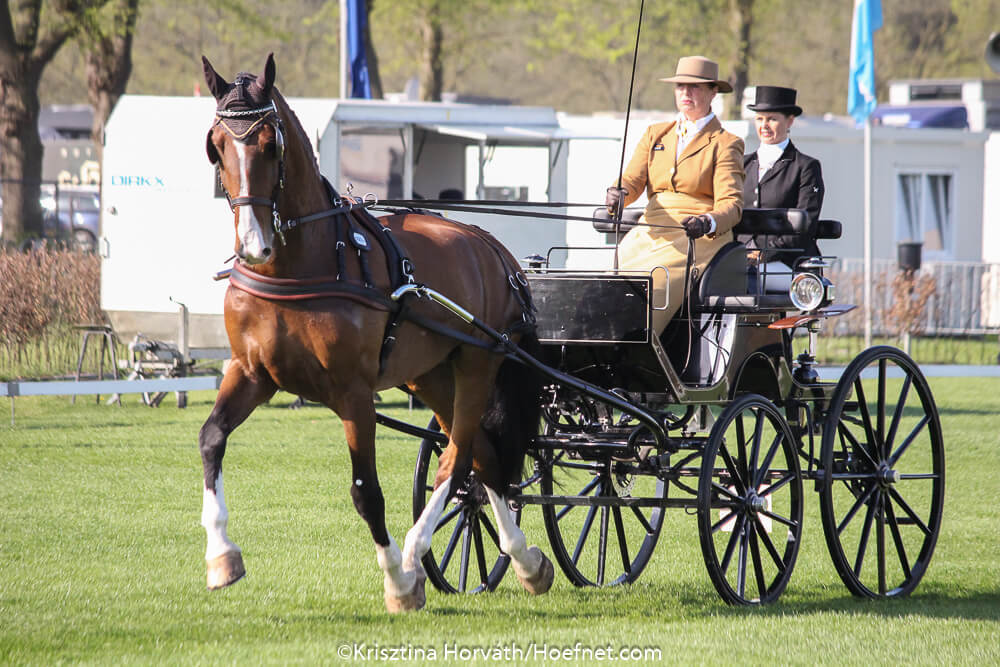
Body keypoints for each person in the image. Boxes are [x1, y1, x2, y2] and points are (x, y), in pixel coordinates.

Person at [606, 56, 744, 333]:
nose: (686, 93)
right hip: (651, 229)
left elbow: (731, 204)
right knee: (613, 282)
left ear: (713, 92)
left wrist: (708, 222)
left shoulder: (726, 143)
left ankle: (637, 342)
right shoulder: (655, 134)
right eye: (681, 86)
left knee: (654, 282)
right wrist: (619, 192)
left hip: (696, 235)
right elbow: (633, 179)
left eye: (694, 87)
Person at [740, 85, 825, 291]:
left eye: (772, 119)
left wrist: (764, 253)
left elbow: (805, 225)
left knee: (745, 278)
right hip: (739, 257)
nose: (764, 125)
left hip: (786, 261)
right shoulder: (741, 165)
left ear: (789, 121)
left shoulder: (805, 167)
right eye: (759, 119)